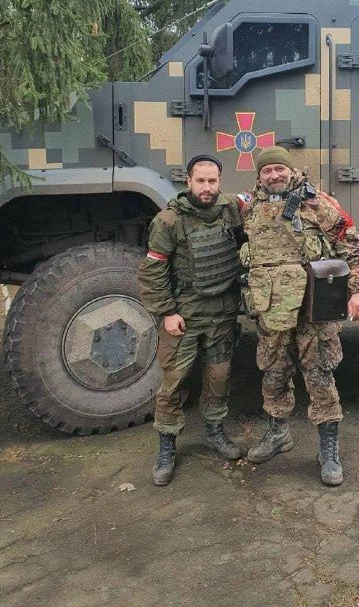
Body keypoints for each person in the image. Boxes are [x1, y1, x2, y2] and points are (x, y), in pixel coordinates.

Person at [240, 147, 359, 486]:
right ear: (259, 176)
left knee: (319, 375)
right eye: (267, 170)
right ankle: (277, 433)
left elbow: (352, 244)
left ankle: (328, 449)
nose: (274, 175)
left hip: (314, 309)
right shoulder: (249, 208)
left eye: (279, 169)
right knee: (273, 373)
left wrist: (358, 290)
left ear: (290, 170)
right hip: (272, 312)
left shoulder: (316, 203)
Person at [138, 154, 244, 486]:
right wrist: (167, 312)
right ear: (189, 181)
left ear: (220, 182)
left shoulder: (230, 208)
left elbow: (264, 196)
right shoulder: (169, 221)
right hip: (184, 313)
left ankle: (214, 431)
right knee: (174, 382)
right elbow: (152, 272)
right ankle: (167, 446)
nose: (207, 187)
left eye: (213, 181)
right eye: (201, 180)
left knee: (219, 377)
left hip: (222, 312)